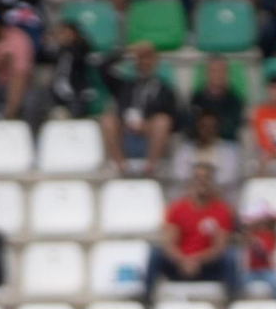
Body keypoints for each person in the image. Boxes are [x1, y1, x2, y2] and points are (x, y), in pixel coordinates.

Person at [144, 160, 238, 303]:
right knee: (155, 253)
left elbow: (219, 247)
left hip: (206, 266)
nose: (202, 183)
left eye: (206, 179)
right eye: (198, 178)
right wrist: (184, 260)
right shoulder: (177, 208)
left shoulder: (222, 210)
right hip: (179, 265)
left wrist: (195, 260)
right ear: (191, 182)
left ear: (212, 183)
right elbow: (169, 243)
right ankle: (147, 303)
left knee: (230, 256)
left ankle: (233, 303)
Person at [101, 40, 179, 177]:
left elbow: (176, 120)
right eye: (141, 57)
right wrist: (126, 51)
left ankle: (150, 168)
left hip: (149, 138)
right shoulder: (124, 85)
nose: (144, 62)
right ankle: (120, 167)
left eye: (148, 58)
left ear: (155, 61)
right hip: (125, 134)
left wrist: (146, 126)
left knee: (163, 121)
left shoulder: (164, 89)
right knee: (107, 119)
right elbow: (102, 68)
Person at [25, 17, 105, 128]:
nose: (61, 36)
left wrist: (66, 43)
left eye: (65, 33)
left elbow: (83, 51)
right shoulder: (59, 51)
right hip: (56, 93)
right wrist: (46, 44)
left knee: (74, 116)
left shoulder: (80, 48)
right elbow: (40, 57)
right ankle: (33, 135)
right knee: (33, 99)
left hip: (76, 94)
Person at [171, 109, 244, 196]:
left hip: (220, 196)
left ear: (217, 129)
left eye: (211, 127)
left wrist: (205, 183)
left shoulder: (229, 151)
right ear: (197, 128)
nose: (207, 130)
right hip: (189, 195)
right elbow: (179, 175)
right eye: (204, 126)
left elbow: (228, 177)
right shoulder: (185, 150)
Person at [186, 56, 244, 143]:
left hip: (224, 144)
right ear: (207, 73)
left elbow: (232, 126)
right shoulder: (197, 97)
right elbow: (189, 124)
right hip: (198, 143)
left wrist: (210, 127)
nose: (217, 74)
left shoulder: (234, 100)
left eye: (220, 71)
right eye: (213, 70)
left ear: (226, 73)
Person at [239, 201, 276, 300]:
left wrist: (257, 244)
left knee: (275, 283)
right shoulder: (250, 236)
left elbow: (266, 252)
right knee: (240, 283)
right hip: (251, 270)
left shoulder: (269, 235)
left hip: (267, 270)